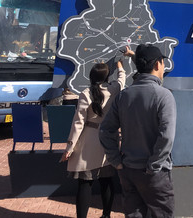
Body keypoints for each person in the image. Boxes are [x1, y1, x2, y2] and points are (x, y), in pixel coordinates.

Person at [99, 44, 176, 218]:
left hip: (128, 170)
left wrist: (116, 161)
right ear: (157, 64)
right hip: (155, 173)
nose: (163, 67)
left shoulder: (124, 95)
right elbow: (166, 136)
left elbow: (105, 130)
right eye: (162, 62)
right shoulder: (164, 95)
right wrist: (154, 165)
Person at [60, 49, 130, 218]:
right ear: (106, 77)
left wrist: (69, 147)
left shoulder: (86, 94)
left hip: (89, 140)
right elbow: (121, 80)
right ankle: (106, 215)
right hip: (109, 140)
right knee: (107, 181)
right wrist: (120, 66)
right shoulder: (113, 89)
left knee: (85, 184)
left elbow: (78, 123)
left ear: (91, 77)